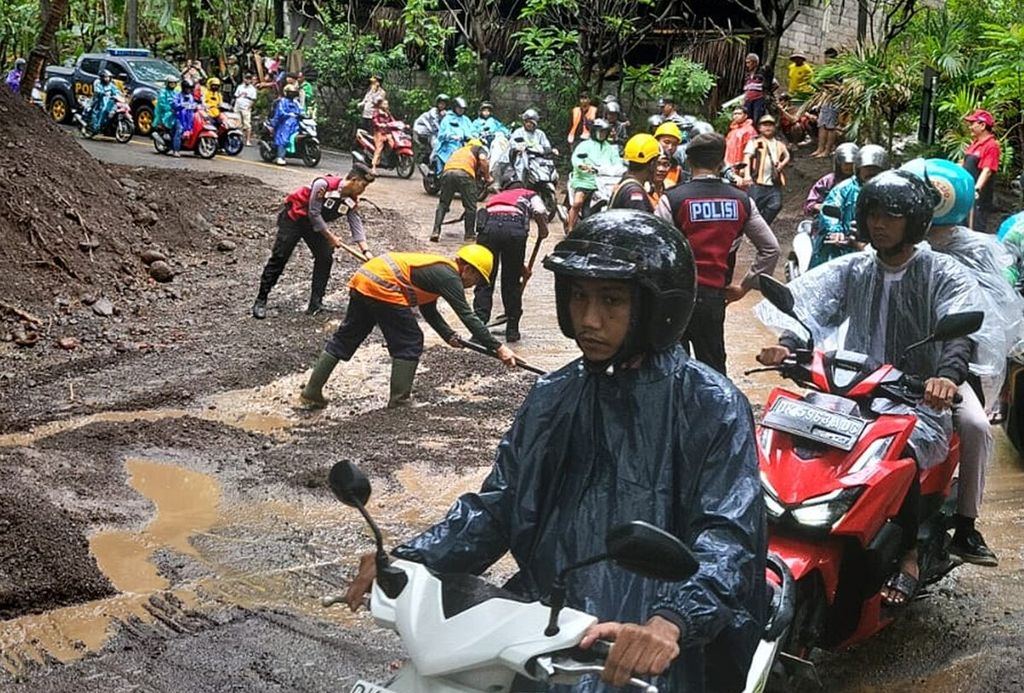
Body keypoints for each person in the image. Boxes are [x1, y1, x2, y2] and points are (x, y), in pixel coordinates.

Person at [345, 210, 768, 692]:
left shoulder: (711, 405)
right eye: (579, 297)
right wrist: (410, 560)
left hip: (647, 639)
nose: (589, 319)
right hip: (546, 622)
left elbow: (728, 534)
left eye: (611, 300)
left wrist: (672, 619)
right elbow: (500, 504)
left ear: (658, 308)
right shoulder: (555, 394)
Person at [756, 170, 984, 606]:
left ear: (914, 221)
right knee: (797, 437)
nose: (879, 224)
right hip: (852, 388)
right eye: (873, 214)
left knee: (904, 456)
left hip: (915, 395)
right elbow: (810, 313)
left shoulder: (940, 271)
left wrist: (945, 377)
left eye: (891, 217)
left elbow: (958, 332)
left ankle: (911, 552)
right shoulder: (854, 267)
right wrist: (786, 347)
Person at [902, 157, 1024, 565]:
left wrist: (951, 371)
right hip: (891, 358)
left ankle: (967, 527)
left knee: (974, 426)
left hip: (951, 364)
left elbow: (988, 314)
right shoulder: (899, 247)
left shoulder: (976, 251)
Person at [300, 245, 519, 409]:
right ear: (468, 269)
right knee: (410, 340)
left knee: (346, 337)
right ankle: (400, 400)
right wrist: (499, 348)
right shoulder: (449, 276)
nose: (475, 285)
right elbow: (468, 317)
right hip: (383, 286)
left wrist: (448, 335)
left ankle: (311, 392)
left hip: (364, 280)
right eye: (478, 279)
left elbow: (428, 308)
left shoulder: (439, 270)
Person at [656, 133, 780, 375]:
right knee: (712, 370)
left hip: (675, 298)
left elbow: (657, 249)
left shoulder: (672, 199)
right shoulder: (742, 201)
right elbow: (771, 249)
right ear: (721, 162)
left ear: (688, 162)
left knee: (672, 368)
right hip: (714, 299)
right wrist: (744, 287)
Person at [253, 164, 377, 320]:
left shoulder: (351, 200)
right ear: (354, 180)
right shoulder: (323, 185)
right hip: (295, 219)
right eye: (363, 185)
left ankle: (316, 303)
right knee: (280, 256)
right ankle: (261, 299)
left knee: (325, 257)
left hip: (315, 227)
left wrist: (366, 251)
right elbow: (314, 213)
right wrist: (330, 237)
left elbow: (355, 222)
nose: (363, 190)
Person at [472, 182, 550, 342]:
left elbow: (496, 228)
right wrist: (543, 230)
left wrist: (520, 266)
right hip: (514, 230)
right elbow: (540, 211)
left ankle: (478, 328)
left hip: (488, 230)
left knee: (484, 278)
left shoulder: (497, 197)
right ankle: (512, 330)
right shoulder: (529, 193)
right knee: (511, 281)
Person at [810, 143, 886, 267]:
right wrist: (835, 230)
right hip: (844, 247)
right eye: (867, 169)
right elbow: (830, 209)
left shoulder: (891, 190)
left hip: (881, 247)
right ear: (859, 169)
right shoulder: (844, 188)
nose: (871, 173)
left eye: (875, 170)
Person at [431, 139, 491, 243]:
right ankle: (469, 235)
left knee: (443, 204)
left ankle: (435, 231)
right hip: (464, 174)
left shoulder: (460, 150)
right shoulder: (479, 149)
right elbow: (483, 161)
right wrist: (487, 177)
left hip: (447, 172)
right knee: (470, 207)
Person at [566, 119, 619, 232]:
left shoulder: (610, 148)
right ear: (594, 131)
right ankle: (570, 229)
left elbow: (617, 162)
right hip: (584, 180)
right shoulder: (584, 145)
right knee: (578, 202)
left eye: (605, 132)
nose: (602, 134)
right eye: (600, 131)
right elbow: (576, 158)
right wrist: (582, 166)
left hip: (603, 183)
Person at [742, 114, 790, 226]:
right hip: (757, 181)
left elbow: (787, 156)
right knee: (753, 208)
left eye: (770, 125)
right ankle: (752, 230)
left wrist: (781, 165)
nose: (768, 128)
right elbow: (747, 157)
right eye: (765, 125)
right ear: (759, 128)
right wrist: (747, 175)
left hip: (774, 182)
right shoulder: (756, 142)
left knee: (775, 205)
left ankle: (762, 226)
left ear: (774, 127)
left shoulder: (779, 143)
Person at [961, 109, 1001, 233]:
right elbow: (964, 164)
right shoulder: (975, 144)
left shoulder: (991, 145)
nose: (970, 127)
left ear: (982, 125)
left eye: (973, 124)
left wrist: (976, 189)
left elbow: (987, 170)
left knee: (976, 229)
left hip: (978, 199)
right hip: (966, 195)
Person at [608, 134, 661, 213]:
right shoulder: (635, 193)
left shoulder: (625, 181)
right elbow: (641, 223)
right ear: (652, 164)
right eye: (657, 162)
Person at [804, 142, 858, 218]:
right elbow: (810, 204)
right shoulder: (827, 181)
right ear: (839, 163)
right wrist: (821, 207)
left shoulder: (862, 182)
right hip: (828, 221)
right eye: (846, 164)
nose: (848, 167)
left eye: (851, 164)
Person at [811, 47, 841, 158]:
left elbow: (840, 87)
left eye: (827, 58)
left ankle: (827, 150)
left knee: (830, 126)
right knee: (822, 124)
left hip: (833, 99)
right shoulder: (825, 69)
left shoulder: (838, 71)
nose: (825, 60)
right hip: (824, 99)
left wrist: (828, 86)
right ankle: (820, 148)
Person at [434, 96, 473, 173]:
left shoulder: (466, 119)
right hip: (448, 145)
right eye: (459, 108)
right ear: (455, 108)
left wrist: (474, 137)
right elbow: (441, 135)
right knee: (449, 154)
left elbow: (472, 131)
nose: (461, 110)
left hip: (464, 145)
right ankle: (440, 174)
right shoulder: (447, 118)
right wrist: (451, 136)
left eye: (463, 109)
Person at [270, 83, 303, 165]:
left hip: (296, 122)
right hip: (284, 122)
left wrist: (302, 115)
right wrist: (289, 114)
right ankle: (280, 156)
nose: (293, 94)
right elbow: (280, 112)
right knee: (284, 137)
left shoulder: (296, 102)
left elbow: (301, 110)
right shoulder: (282, 101)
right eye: (291, 92)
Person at [742, 53, 776, 125]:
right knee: (748, 119)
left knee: (757, 119)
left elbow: (775, 84)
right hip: (748, 100)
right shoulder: (748, 75)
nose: (747, 65)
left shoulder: (763, 72)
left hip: (759, 100)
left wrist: (765, 93)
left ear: (755, 63)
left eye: (749, 62)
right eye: (746, 63)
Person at [83, 69, 121, 134]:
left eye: (108, 77)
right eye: (106, 77)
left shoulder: (111, 85)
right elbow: (97, 91)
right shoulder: (98, 83)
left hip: (108, 101)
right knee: (99, 111)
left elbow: (116, 90)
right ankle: (96, 126)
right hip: (98, 101)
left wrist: (118, 95)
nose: (107, 79)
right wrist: (102, 93)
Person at [171, 79, 199, 157]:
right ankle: (176, 150)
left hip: (189, 118)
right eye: (187, 88)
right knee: (179, 131)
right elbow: (174, 104)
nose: (189, 90)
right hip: (179, 117)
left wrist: (196, 106)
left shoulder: (190, 96)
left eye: (190, 88)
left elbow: (194, 104)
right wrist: (181, 105)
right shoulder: (177, 95)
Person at [724, 107, 756, 174]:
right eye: (735, 114)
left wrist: (745, 167)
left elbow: (751, 151)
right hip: (730, 165)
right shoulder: (732, 131)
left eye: (739, 114)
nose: (736, 116)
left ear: (745, 116)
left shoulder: (749, 130)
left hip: (742, 167)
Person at [654, 122, 685, 189]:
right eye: (666, 142)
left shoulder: (677, 170)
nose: (670, 147)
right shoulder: (644, 165)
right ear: (657, 141)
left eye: (674, 144)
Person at [370, 97, 395, 173]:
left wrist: (401, 124)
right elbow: (374, 120)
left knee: (393, 145)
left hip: (388, 132)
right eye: (384, 104)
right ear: (380, 104)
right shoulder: (376, 112)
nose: (386, 105)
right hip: (379, 132)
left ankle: (386, 159)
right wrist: (380, 124)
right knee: (379, 149)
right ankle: (373, 167)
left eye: (387, 104)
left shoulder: (387, 113)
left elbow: (393, 121)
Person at [233, 73, 257, 146]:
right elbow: (236, 96)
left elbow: (253, 99)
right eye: (246, 78)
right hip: (238, 106)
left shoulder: (252, 89)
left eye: (249, 79)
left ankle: (248, 140)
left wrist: (249, 107)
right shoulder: (240, 87)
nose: (247, 80)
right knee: (237, 124)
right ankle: (238, 140)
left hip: (245, 107)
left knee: (247, 124)